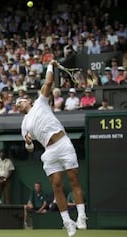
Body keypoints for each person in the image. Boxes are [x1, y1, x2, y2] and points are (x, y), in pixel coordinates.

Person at [16, 60, 87, 236]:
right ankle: (67, 222)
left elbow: (48, 82)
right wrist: (29, 143)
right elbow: (30, 149)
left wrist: (50, 65)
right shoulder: (24, 125)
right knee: (56, 186)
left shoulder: (41, 102)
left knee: (74, 179)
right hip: (49, 152)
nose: (18, 104)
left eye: (21, 101)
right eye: (17, 104)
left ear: (28, 101)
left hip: (63, 144)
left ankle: (82, 216)